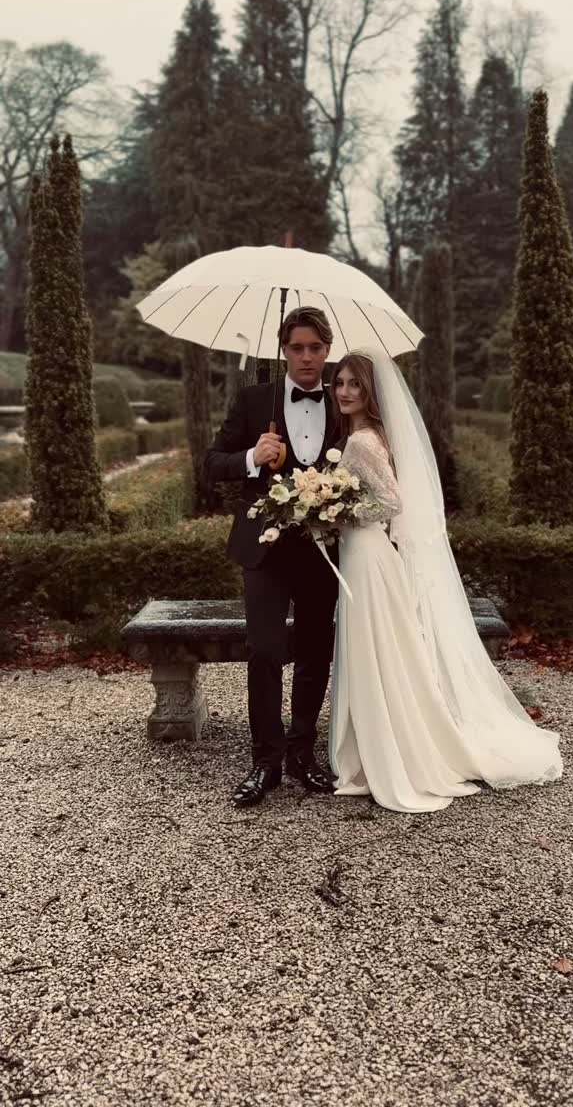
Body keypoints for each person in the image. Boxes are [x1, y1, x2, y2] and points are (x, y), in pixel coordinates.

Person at [328, 348, 562, 813]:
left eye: (355, 384)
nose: (345, 392)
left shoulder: (360, 442)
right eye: (340, 383)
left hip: (367, 553)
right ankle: (384, 740)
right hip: (364, 552)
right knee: (380, 648)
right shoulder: (368, 435)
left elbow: (391, 503)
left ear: (371, 390)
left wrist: (337, 511)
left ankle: (389, 752)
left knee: (376, 649)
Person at [205, 307, 338, 807]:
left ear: (327, 350)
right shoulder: (254, 399)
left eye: (315, 348)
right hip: (264, 549)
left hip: (323, 550)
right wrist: (250, 458)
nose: (306, 357)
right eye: (297, 348)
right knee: (263, 651)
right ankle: (266, 761)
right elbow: (211, 464)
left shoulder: (344, 403)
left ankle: (302, 752)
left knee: (314, 650)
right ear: (283, 350)